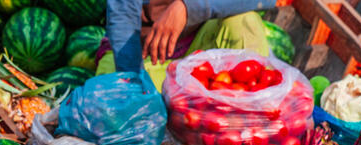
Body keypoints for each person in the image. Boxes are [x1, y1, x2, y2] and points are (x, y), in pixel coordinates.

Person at [107, 0, 281, 72]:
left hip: (202, 50)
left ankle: (250, 114)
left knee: (243, 21)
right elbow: (123, 14)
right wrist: (131, 79)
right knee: (109, 108)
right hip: (144, 56)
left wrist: (187, 7)